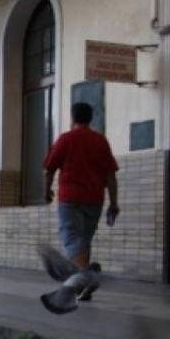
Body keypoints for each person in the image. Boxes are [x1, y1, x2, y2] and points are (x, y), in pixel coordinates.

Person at [43, 102, 119, 298]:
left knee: (72, 239)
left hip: (70, 199)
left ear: (72, 117)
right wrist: (114, 202)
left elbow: (49, 169)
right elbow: (111, 174)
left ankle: (85, 278)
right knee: (84, 241)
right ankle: (83, 288)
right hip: (95, 199)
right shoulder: (100, 141)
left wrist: (46, 191)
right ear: (90, 118)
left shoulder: (66, 139)